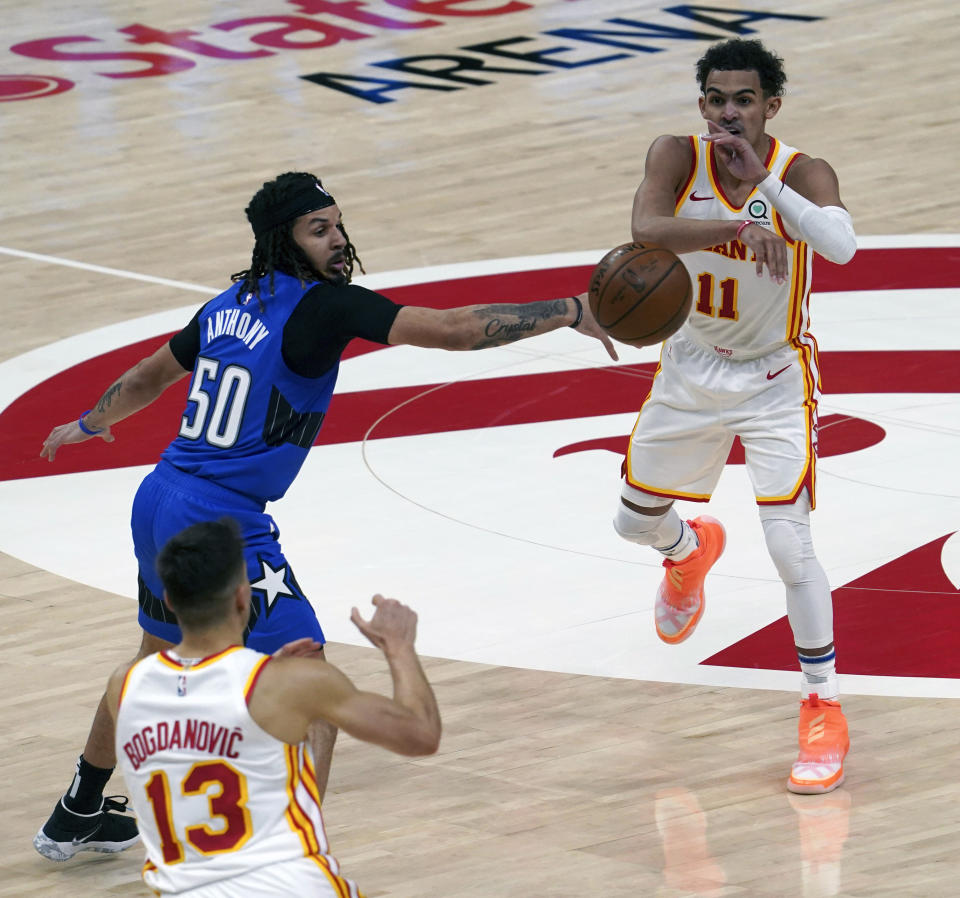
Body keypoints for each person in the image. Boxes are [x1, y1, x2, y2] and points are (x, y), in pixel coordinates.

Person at [34, 170, 617, 861]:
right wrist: (572, 309)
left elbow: (145, 380)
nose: (339, 240)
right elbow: (454, 331)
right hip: (222, 519)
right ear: (286, 242)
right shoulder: (325, 308)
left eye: (339, 223)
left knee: (151, 657)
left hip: (160, 497)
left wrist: (91, 422)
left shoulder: (226, 305)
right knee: (307, 674)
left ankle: (78, 810)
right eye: (321, 230)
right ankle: (286, 856)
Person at [613, 38, 856, 793]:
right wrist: (736, 227)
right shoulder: (676, 156)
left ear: (770, 107)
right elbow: (647, 229)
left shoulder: (802, 172)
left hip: (774, 377)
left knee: (790, 546)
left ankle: (823, 705)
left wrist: (770, 199)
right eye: (716, 98)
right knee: (630, 522)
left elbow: (842, 248)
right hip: (689, 366)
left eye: (743, 99)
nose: (728, 112)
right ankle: (688, 550)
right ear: (701, 105)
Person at [111, 516, 440, 897]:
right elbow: (421, 734)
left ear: (168, 600)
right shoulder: (288, 684)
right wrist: (399, 648)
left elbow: (194, 737)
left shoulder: (124, 685)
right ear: (242, 595)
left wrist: (274, 680)